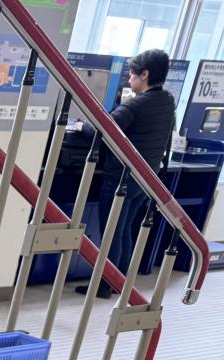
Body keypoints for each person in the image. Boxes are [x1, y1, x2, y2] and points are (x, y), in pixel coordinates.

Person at [77, 49, 177, 299]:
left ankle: (104, 284)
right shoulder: (167, 101)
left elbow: (103, 131)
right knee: (123, 231)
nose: (129, 78)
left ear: (145, 74)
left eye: (132, 73)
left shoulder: (136, 104)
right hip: (146, 179)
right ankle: (119, 283)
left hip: (121, 178)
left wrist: (80, 126)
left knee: (111, 232)